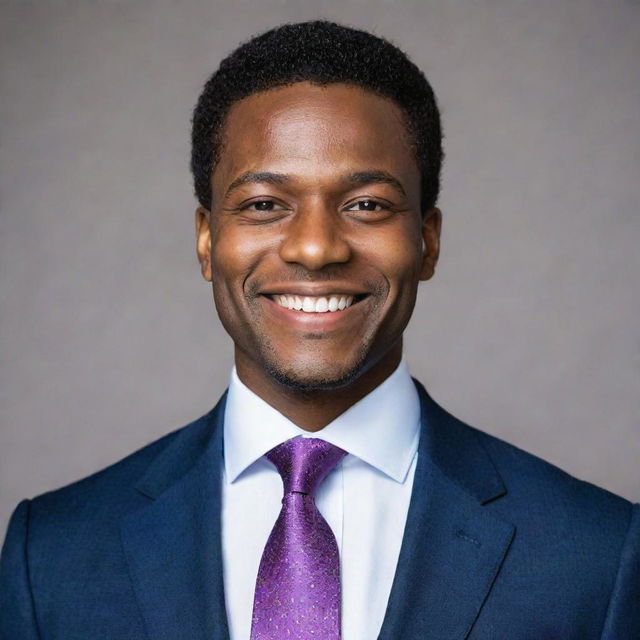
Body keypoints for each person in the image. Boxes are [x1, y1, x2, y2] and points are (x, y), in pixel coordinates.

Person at [1, 20, 638, 640]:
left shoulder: (598, 557)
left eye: (366, 205)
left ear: (428, 241)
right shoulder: (51, 556)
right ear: (206, 239)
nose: (314, 248)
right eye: (263, 205)